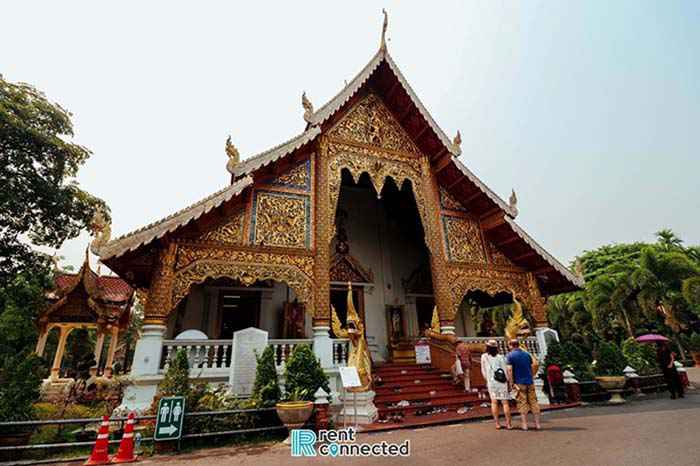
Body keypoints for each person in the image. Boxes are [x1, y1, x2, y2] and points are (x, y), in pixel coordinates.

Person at [506, 338, 541, 430]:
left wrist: (511, 383)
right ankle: (537, 424)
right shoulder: (527, 354)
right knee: (534, 402)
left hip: (519, 382)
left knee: (522, 402)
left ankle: (525, 424)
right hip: (529, 381)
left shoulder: (510, 356)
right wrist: (531, 376)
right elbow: (533, 365)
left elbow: (509, 370)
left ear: (510, 345)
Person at [480, 339, 512, 430]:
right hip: (501, 382)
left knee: (494, 402)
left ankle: (497, 423)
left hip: (491, 382)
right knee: (505, 403)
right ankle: (508, 424)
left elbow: (483, 371)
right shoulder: (500, 357)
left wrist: (488, 380)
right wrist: (507, 381)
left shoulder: (484, 357)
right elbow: (505, 370)